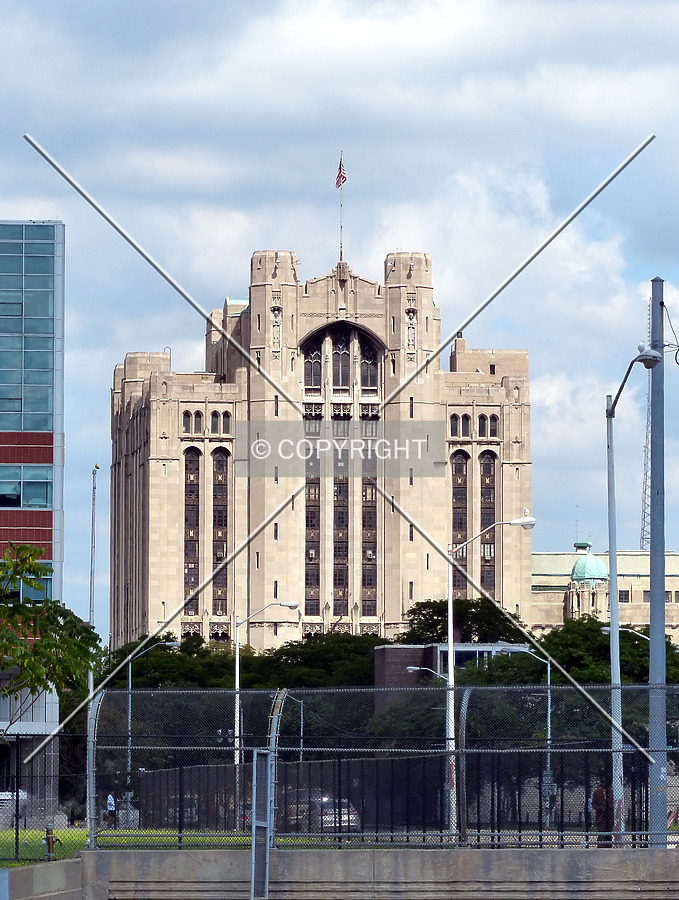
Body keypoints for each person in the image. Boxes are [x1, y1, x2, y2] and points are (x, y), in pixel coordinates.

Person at [591, 780, 613, 847]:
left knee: (609, 833)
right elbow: (593, 804)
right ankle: (601, 847)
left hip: (609, 815)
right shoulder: (597, 792)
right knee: (601, 832)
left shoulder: (611, 792)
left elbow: (613, 802)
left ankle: (609, 846)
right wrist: (599, 808)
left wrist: (609, 807)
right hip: (601, 816)